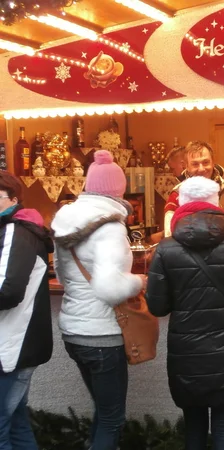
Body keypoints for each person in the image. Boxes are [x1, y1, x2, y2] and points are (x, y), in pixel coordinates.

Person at [146, 176, 224, 450]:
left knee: (194, 427)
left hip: (187, 355)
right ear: (215, 204)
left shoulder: (166, 249)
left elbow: (157, 307)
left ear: (182, 205)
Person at [51, 150, 146, 450]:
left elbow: (62, 275)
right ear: (119, 190)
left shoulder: (66, 220)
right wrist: (139, 281)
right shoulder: (110, 227)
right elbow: (108, 289)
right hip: (102, 336)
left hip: (73, 331)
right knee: (112, 419)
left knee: (103, 412)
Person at [0, 171, 53, 450]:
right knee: (17, 423)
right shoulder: (18, 229)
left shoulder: (16, 231)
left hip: (12, 346)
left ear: (13, 199)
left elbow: (8, 291)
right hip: (17, 344)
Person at [164, 141, 224, 237]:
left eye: (206, 162)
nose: (201, 169)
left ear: (213, 162)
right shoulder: (177, 195)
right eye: (195, 164)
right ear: (186, 166)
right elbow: (169, 235)